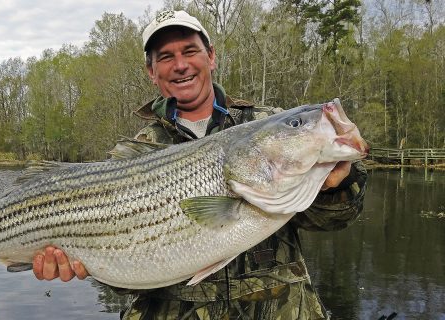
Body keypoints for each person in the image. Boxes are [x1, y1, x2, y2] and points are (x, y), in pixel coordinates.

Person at [32, 10, 367, 319]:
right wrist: (85, 262)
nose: (180, 65)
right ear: (152, 72)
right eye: (166, 57)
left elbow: (336, 219)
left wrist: (337, 182)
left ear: (211, 56)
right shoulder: (135, 151)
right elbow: (126, 278)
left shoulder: (263, 122)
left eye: (190, 51)